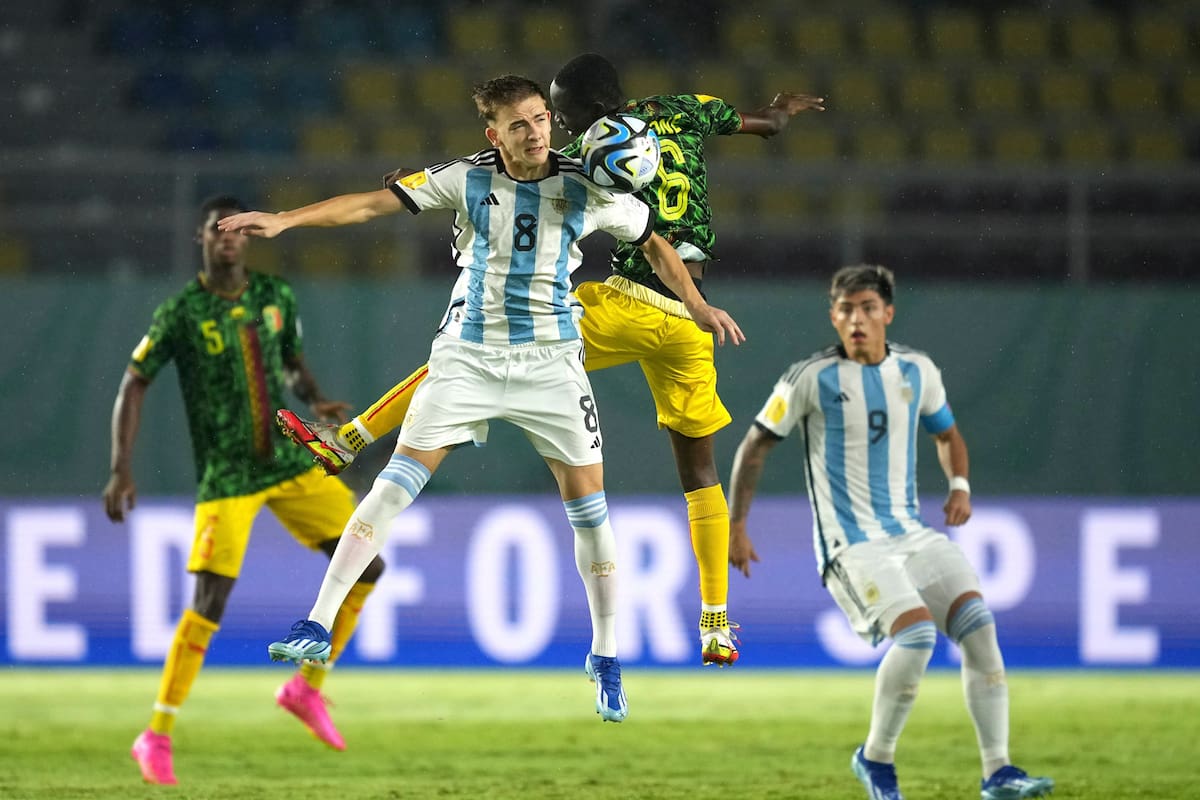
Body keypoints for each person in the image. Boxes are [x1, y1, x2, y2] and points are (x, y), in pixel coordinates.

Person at [218, 75, 744, 722]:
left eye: (539, 119)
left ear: (552, 119)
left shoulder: (590, 182)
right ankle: (317, 621)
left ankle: (606, 655)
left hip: (552, 364)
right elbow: (368, 205)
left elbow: (655, 243)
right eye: (516, 125)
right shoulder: (464, 178)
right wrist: (287, 220)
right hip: (468, 356)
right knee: (392, 488)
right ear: (493, 134)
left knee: (591, 515)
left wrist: (695, 302)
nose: (532, 133)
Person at [273, 52, 822, 667]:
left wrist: (436, 184)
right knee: (699, 469)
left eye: (554, 115)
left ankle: (351, 438)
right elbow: (760, 128)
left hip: (621, 302)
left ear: (577, 113)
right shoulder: (679, 111)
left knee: (494, 335)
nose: (550, 128)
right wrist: (777, 115)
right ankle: (716, 623)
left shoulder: (591, 152)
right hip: (689, 320)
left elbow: (605, 206)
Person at [725, 265, 1054, 800]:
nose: (857, 319)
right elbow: (754, 447)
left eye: (868, 308)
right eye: (846, 310)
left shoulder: (917, 372)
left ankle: (998, 772)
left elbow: (947, 434)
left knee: (979, 628)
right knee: (918, 635)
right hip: (849, 544)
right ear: (833, 317)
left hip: (912, 534)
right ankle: (876, 759)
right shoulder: (809, 378)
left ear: (888, 314)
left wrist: (961, 485)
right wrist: (737, 524)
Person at [104, 195, 386, 785]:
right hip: (228, 474)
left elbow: (292, 363)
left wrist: (315, 399)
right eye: (216, 229)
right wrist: (120, 467)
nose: (228, 238)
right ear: (202, 239)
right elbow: (134, 384)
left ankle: (305, 690)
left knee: (368, 565)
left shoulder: (274, 298)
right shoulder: (181, 312)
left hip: (286, 463)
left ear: (249, 239)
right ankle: (155, 733)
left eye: (236, 230)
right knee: (210, 603)